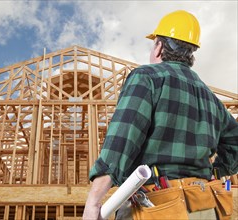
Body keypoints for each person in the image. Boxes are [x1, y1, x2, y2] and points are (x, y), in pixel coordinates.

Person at [83, 10, 238, 220]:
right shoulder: (210, 97)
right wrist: (216, 171)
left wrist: (94, 202)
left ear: (159, 47)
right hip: (205, 205)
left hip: (157, 206)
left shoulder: (146, 78)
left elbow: (121, 141)